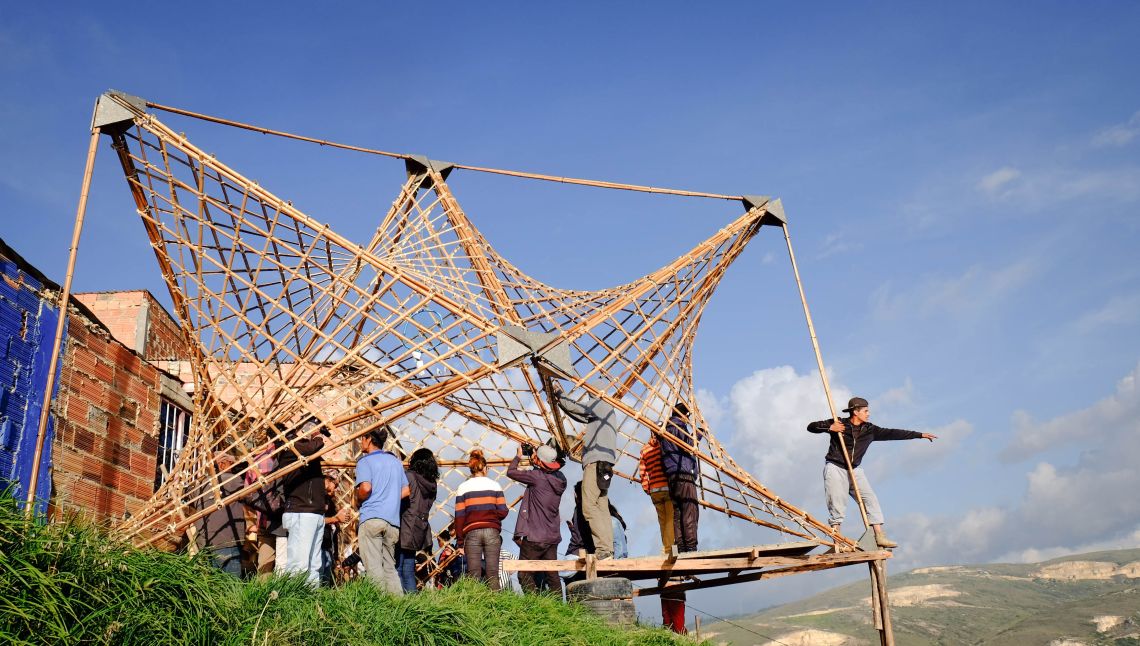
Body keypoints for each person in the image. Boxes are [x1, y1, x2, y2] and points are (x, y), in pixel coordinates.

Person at [807, 396, 937, 548]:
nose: (868, 414)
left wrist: (919, 435)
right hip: (835, 467)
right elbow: (811, 427)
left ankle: (879, 536)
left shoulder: (870, 430)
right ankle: (837, 541)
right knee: (837, 504)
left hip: (854, 469)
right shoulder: (839, 423)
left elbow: (893, 433)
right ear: (856, 412)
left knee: (870, 499)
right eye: (866, 411)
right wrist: (830, 428)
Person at [550, 380, 618, 559]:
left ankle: (603, 549)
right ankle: (607, 549)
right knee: (601, 506)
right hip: (606, 464)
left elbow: (576, 408)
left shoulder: (599, 404)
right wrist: (563, 402)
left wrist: (559, 394)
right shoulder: (608, 410)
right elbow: (580, 415)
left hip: (594, 463)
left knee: (588, 506)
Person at [355, 426, 410, 594]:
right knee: (389, 568)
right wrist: (390, 498)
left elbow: (365, 488)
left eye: (362, 439)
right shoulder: (395, 462)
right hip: (392, 522)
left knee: (373, 567)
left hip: (372, 518)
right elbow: (406, 490)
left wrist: (358, 498)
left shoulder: (365, 461)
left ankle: (379, 604)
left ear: (369, 440)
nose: (361, 442)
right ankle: (397, 604)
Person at [506, 443, 567, 593]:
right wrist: (538, 459)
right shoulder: (561, 479)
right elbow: (548, 472)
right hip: (552, 536)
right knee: (552, 575)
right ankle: (558, 605)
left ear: (540, 461)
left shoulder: (536, 477)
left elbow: (511, 471)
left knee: (524, 574)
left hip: (534, 536)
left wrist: (518, 456)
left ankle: (534, 603)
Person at [276, 420, 328, 585]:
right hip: (301, 510)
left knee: (314, 564)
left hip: (313, 511)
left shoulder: (303, 450)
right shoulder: (289, 449)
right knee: (298, 563)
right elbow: (310, 448)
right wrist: (317, 436)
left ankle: (311, 596)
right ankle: (294, 596)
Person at [454, 448, 508, 590]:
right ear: (485, 468)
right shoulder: (495, 485)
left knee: (473, 574)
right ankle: (496, 602)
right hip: (491, 531)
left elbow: (459, 517)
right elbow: (503, 512)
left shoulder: (462, 488)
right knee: (492, 573)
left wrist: (460, 543)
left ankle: (475, 602)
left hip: (471, 533)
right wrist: (491, 516)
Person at [194, 453, 249, 577]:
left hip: (206, 542)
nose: (234, 468)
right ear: (222, 465)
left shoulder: (200, 487)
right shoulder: (231, 479)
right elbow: (251, 496)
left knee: (215, 583)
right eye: (232, 464)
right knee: (232, 584)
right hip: (227, 539)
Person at [661, 402, 702, 552]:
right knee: (689, 509)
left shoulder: (665, 430)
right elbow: (689, 444)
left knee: (678, 512)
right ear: (684, 415)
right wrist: (698, 433)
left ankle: (682, 547)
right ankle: (690, 547)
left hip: (671, 476)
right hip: (683, 473)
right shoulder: (678, 426)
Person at [397, 448, 439, 593]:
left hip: (405, 524)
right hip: (419, 528)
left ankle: (399, 601)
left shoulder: (409, 476)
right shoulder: (432, 484)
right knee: (408, 568)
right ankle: (411, 601)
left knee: (398, 567)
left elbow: (400, 497)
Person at [637, 434, 674, 555]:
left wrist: (647, 489)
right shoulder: (664, 445)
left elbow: (642, 473)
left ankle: (666, 548)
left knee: (662, 521)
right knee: (670, 519)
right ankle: (668, 548)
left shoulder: (644, 449)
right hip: (667, 488)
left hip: (654, 490)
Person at [320, 473, 350, 586]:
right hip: (319, 545)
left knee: (326, 578)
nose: (336, 489)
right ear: (326, 481)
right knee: (319, 575)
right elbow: (316, 521)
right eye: (335, 485)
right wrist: (336, 518)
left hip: (328, 546)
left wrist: (340, 517)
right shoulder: (317, 499)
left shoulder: (330, 501)